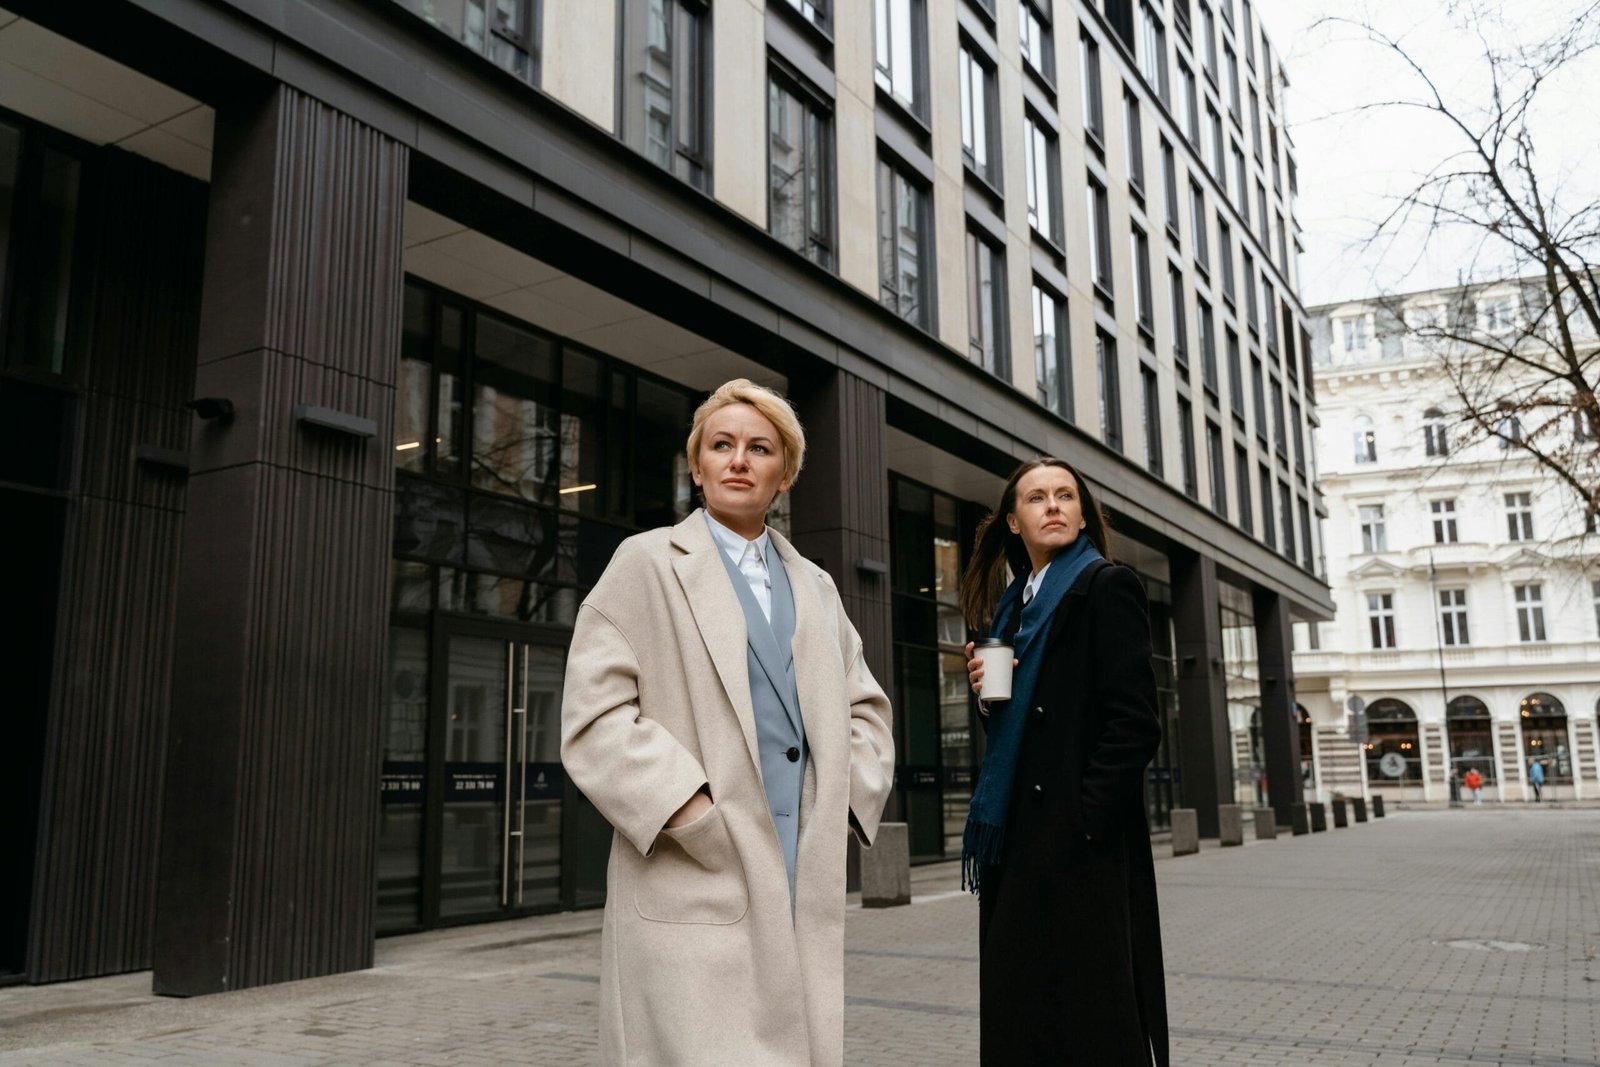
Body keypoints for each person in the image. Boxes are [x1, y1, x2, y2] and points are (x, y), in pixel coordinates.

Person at [560, 379, 895, 1067]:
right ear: (697, 465)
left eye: (759, 448)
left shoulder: (818, 586)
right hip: (693, 869)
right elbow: (595, 717)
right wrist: (689, 811)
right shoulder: (645, 564)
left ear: (786, 474)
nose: (738, 459)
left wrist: (841, 801)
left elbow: (867, 705)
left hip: (801, 869)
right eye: (722, 445)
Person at [960, 458, 1169, 1067]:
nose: (1052, 505)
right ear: (1014, 522)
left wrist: (1084, 820)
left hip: (1080, 848)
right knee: (1023, 1009)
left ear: (1082, 515)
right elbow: (1015, 727)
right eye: (1036, 498)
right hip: (1018, 843)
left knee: (1089, 1015)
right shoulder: (1012, 607)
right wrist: (985, 694)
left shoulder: (1106, 585)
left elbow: (1135, 723)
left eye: (1065, 495)